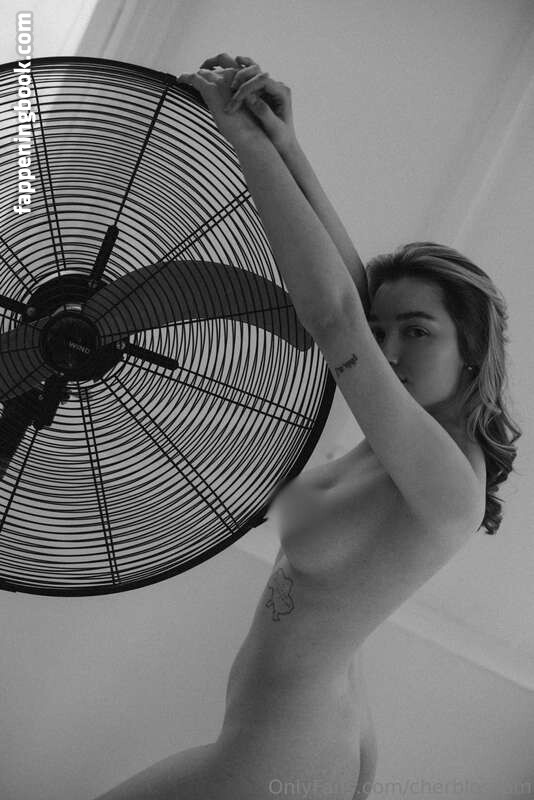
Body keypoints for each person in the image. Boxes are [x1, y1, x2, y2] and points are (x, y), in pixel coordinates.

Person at [92, 53, 521, 800]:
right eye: (382, 334)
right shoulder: (409, 440)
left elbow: (337, 315)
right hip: (303, 745)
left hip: (277, 765)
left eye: (418, 332)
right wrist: (286, 144)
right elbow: (352, 298)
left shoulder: (447, 483)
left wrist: (241, 137)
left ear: (474, 350)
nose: (387, 353)